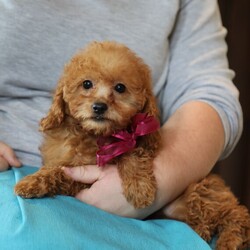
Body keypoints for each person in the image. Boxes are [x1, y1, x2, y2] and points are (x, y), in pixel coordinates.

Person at [0, 0, 242, 249]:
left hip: (157, 180)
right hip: (14, 169)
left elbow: (208, 93)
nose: (101, 101)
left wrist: (162, 177)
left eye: (119, 88)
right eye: (87, 86)